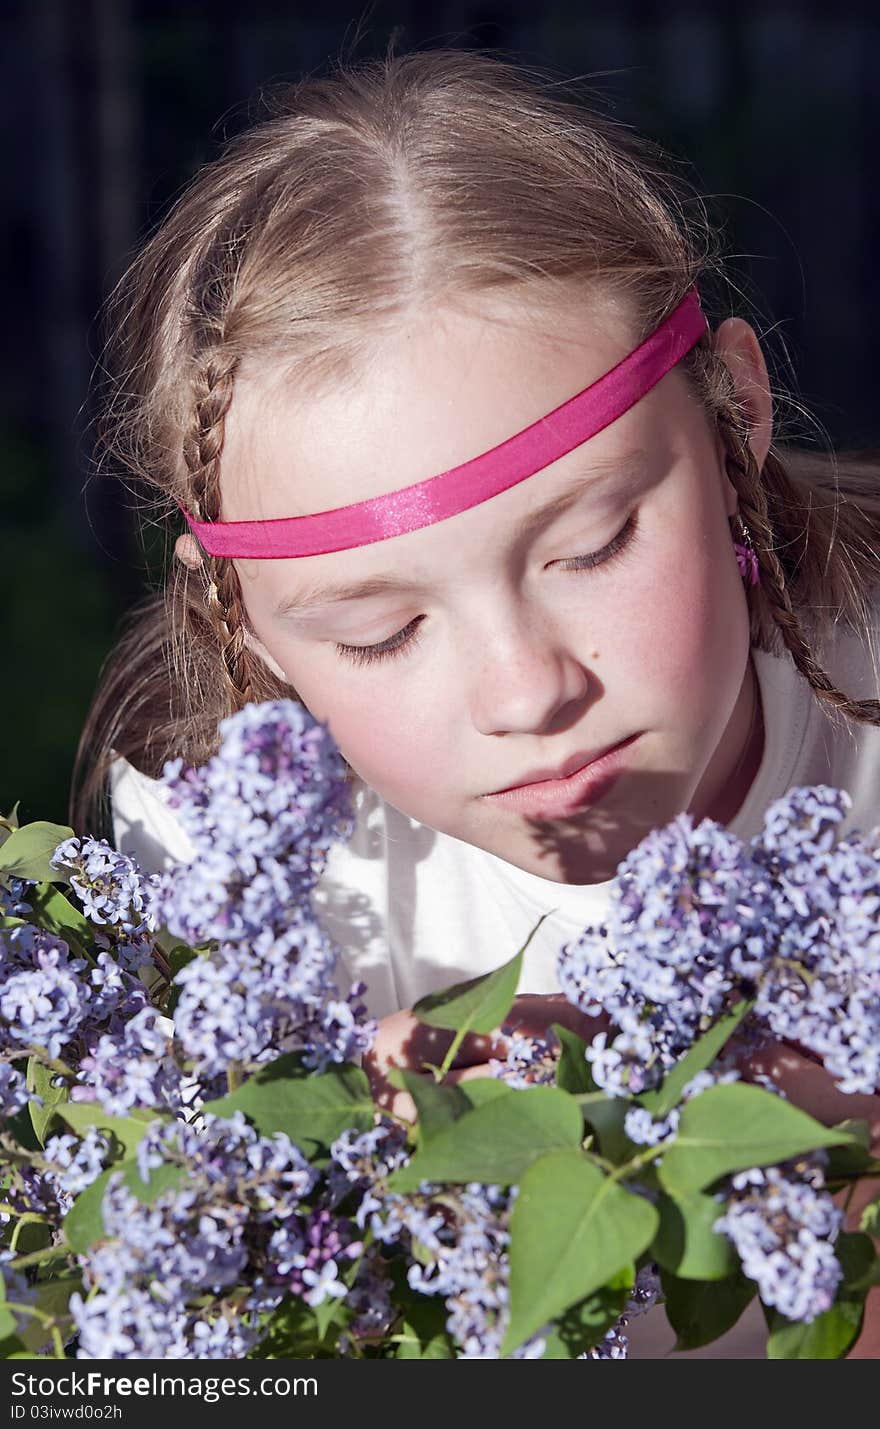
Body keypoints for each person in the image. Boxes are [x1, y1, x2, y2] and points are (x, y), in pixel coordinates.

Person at [71, 47, 880, 1358]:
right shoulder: (230, 923)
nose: (526, 691)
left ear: (732, 419)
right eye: (383, 629)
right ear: (251, 629)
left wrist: (826, 1156)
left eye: (593, 546)